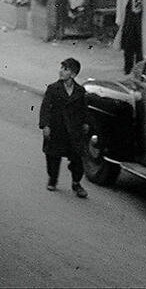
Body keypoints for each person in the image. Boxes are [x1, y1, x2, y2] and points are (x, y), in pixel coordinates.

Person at [39, 57, 88, 199]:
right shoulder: (53, 89)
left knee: (77, 158)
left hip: (73, 130)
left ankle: (76, 182)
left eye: (65, 69)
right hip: (56, 128)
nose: (61, 71)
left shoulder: (79, 91)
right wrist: (45, 125)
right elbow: (45, 108)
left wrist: (85, 123)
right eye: (61, 68)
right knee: (53, 156)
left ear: (73, 74)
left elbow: (84, 109)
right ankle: (52, 179)